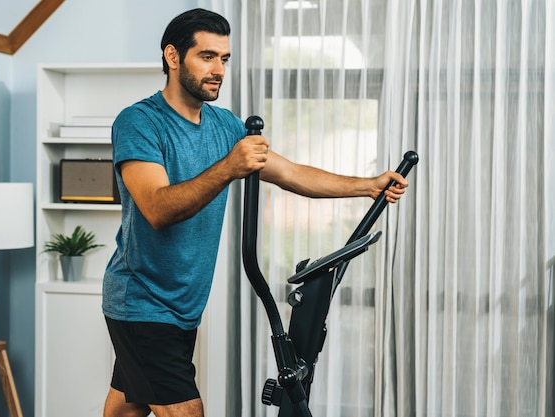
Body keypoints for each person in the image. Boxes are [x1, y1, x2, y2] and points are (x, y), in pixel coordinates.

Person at [102, 7, 408, 417]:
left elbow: (291, 173)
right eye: (207, 56)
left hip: (182, 305)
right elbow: (157, 208)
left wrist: (367, 186)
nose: (219, 70)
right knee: (186, 410)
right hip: (143, 301)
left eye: (224, 59)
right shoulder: (140, 122)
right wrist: (231, 166)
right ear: (173, 57)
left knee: (129, 404)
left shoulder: (225, 125)